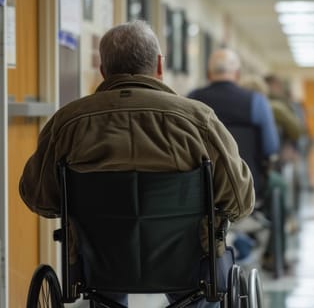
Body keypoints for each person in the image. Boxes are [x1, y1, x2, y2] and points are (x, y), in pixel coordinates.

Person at [19, 21, 255, 308]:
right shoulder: (198, 121)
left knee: (100, 273)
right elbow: (240, 200)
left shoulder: (67, 123)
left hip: (100, 265)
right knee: (201, 280)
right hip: (186, 265)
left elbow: (39, 198)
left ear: (103, 70)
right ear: (158, 66)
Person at [188, 49, 279, 197]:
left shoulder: (193, 99)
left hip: (204, 186)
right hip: (247, 184)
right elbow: (270, 147)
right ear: (237, 74)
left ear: (208, 74)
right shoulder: (256, 102)